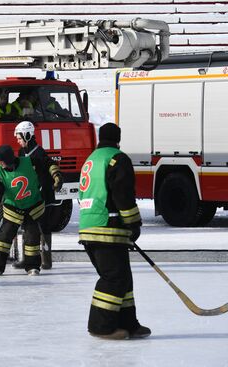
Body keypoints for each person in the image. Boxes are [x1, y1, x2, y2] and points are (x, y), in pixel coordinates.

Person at [78, 123, 150, 340]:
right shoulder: (118, 159)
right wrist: (133, 223)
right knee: (113, 278)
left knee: (123, 278)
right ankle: (101, 326)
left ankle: (128, 323)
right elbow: (123, 195)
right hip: (106, 227)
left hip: (89, 227)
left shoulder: (91, 159)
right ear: (119, 139)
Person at [0, 144, 60, 276]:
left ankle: (32, 267)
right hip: (13, 209)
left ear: (9, 160)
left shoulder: (29, 161)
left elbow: (48, 163)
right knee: (3, 237)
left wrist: (56, 175)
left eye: (2, 161)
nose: (0, 164)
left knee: (32, 238)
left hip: (33, 207)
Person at [13, 120, 62, 270]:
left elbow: (49, 164)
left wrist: (56, 176)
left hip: (43, 195)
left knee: (43, 227)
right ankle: (27, 259)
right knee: (27, 226)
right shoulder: (22, 152)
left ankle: (46, 260)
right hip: (29, 195)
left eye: (20, 138)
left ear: (27, 135)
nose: (18, 141)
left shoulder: (38, 152)